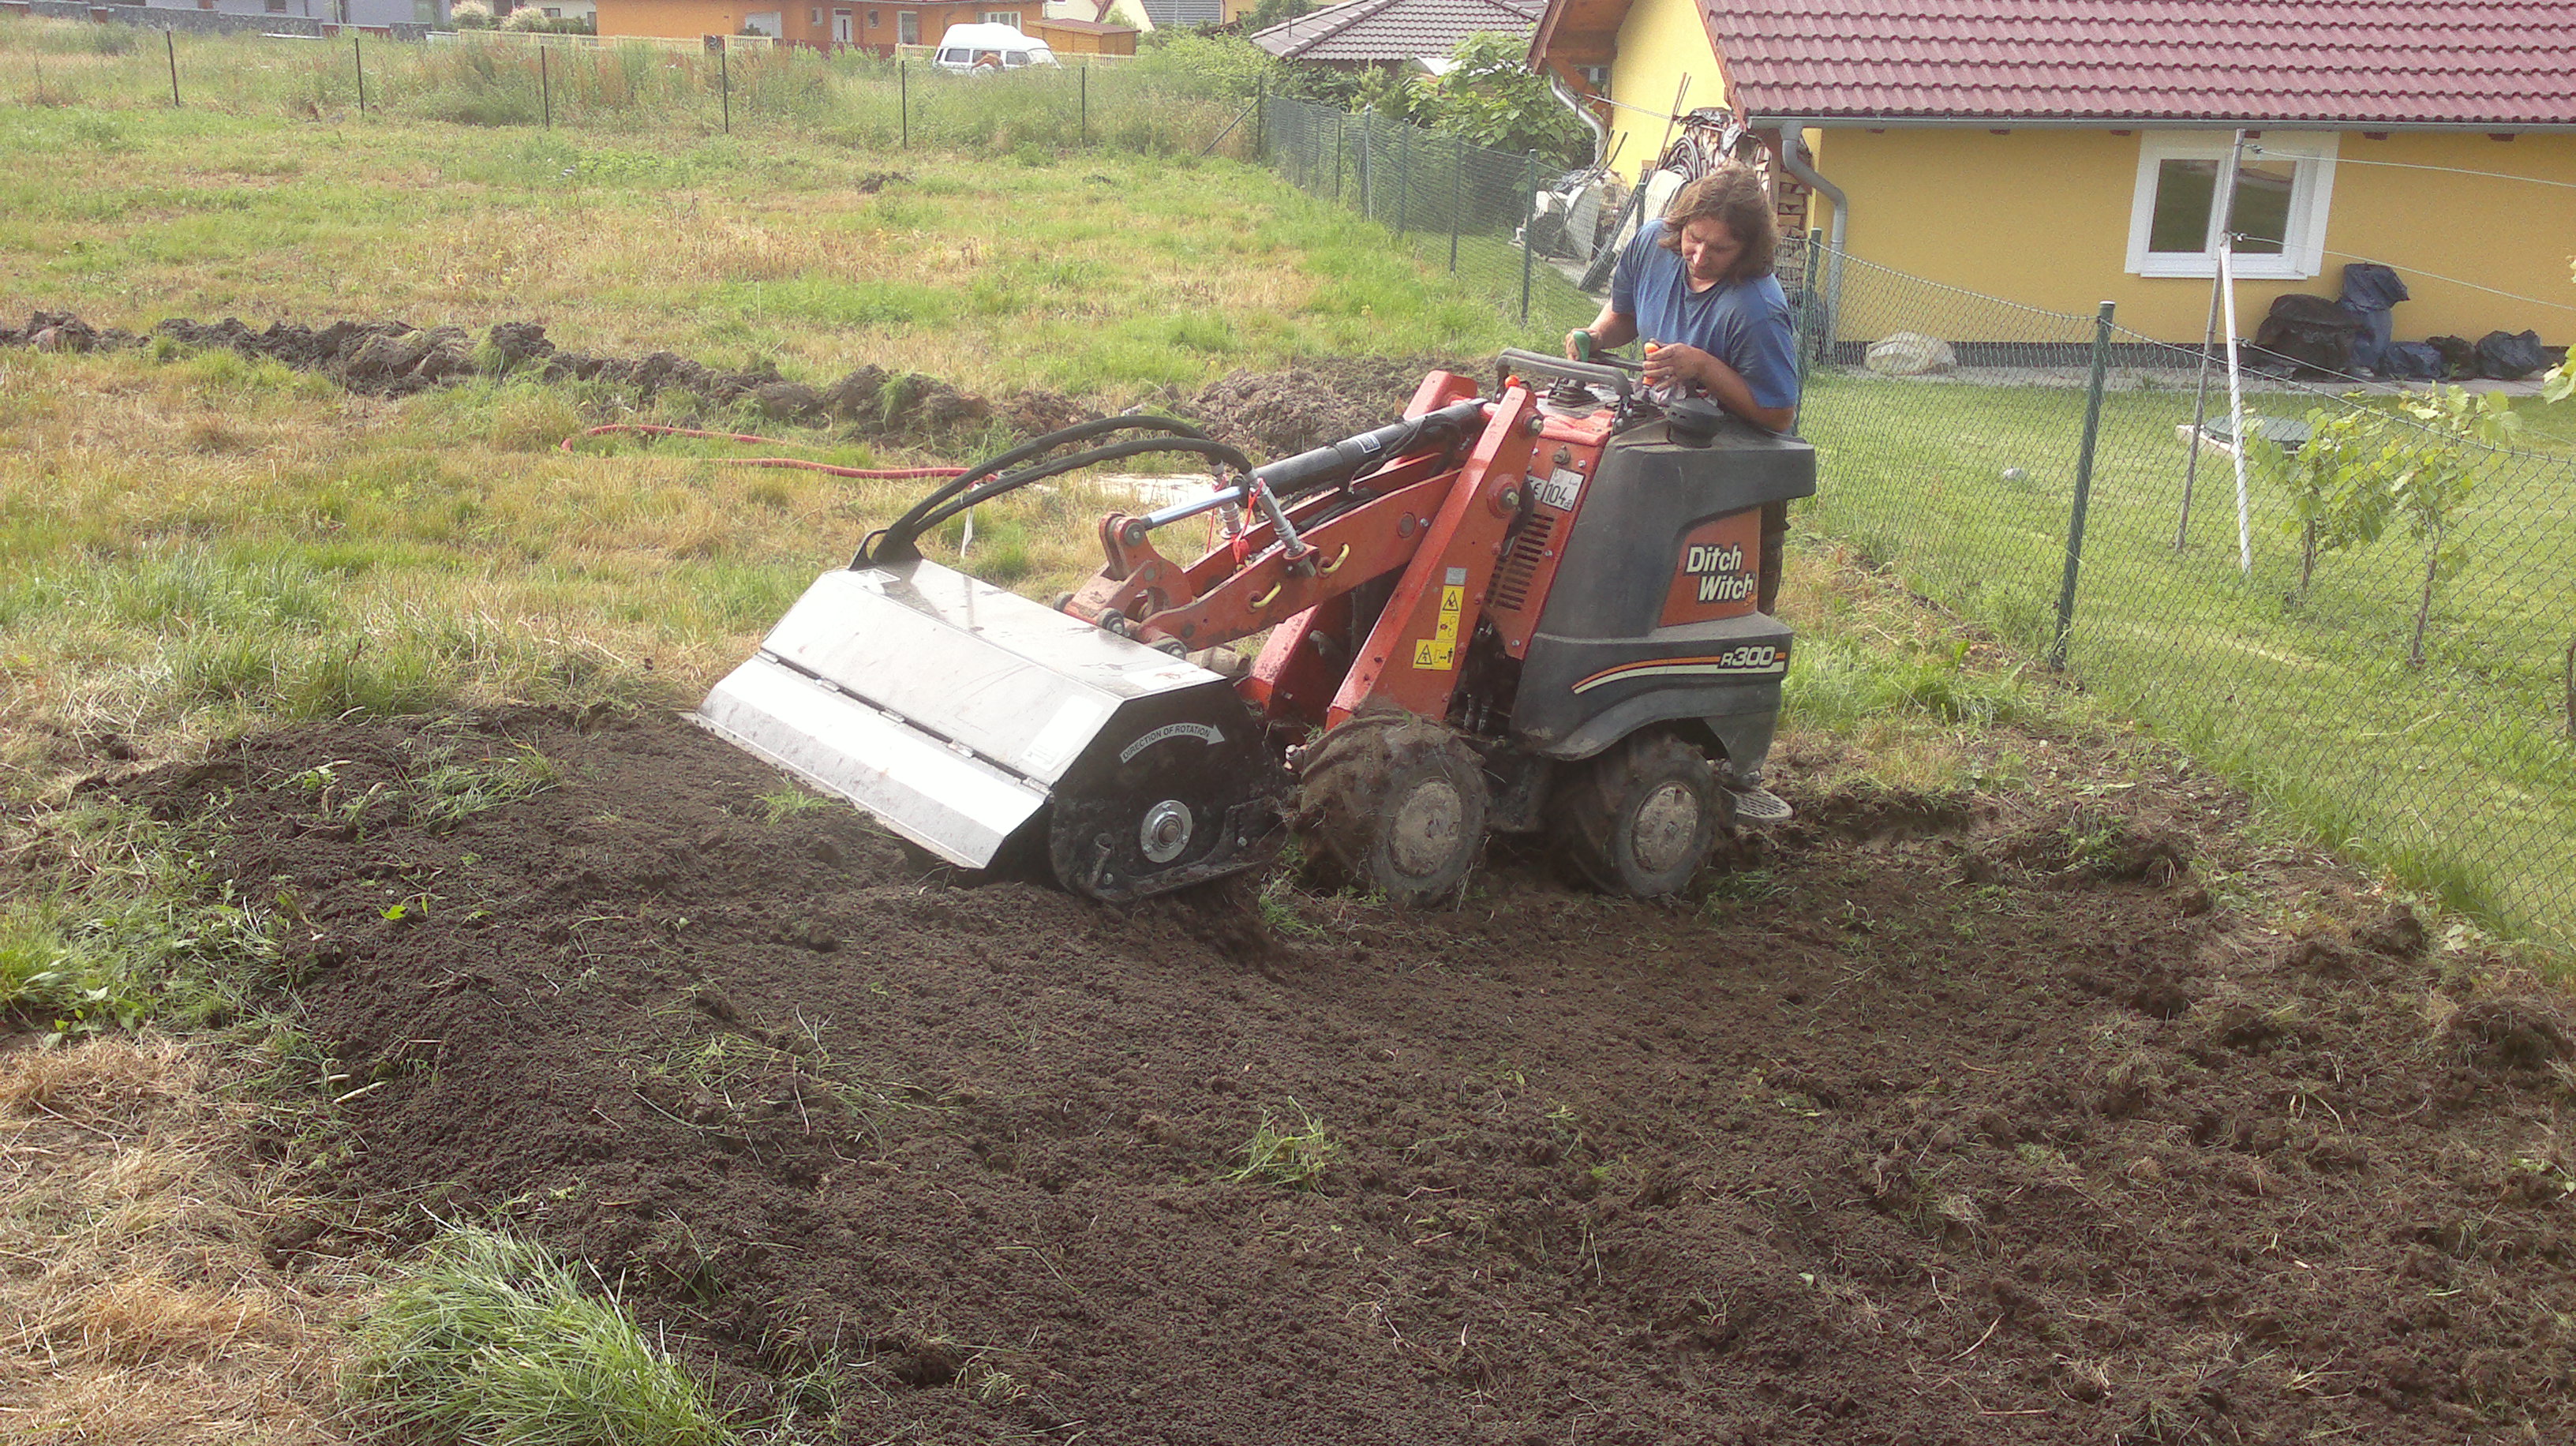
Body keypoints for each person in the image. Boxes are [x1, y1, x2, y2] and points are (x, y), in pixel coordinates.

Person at [1565, 164, 1799, 433]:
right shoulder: (1651, 243)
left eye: (1720, 249)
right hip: (1663, 421)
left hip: (1732, 447)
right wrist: (1597, 336)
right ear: (1681, 224)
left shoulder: (1757, 309)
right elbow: (1625, 314)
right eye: (1694, 238)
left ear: (1748, 250)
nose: (1699, 257)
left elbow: (1780, 415)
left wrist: (1703, 367)